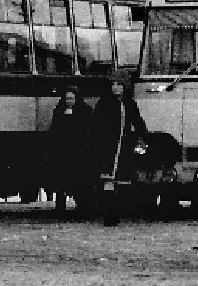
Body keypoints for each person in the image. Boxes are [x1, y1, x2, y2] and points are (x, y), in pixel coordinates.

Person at [89, 78, 149, 226]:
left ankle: (118, 211)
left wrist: (142, 136)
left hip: (124, 146)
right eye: (113, 84)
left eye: (119, 84)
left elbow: (137, 121)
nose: (115, 87)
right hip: (108, 147)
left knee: (121, 180)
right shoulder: (104, 103)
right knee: (108, 180)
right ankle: (109, 215)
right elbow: (97, 125)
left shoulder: (129, 103)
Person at [47, 84, 92, 214]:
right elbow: (55, 129)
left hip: (79, 151)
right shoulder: (59, 110)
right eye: (67, 99)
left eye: (71, 98)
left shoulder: (85, 110)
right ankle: (60, 206)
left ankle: (82, 205)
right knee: (61, 179)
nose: (69, 101)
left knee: (79, 179)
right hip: (63, 150)